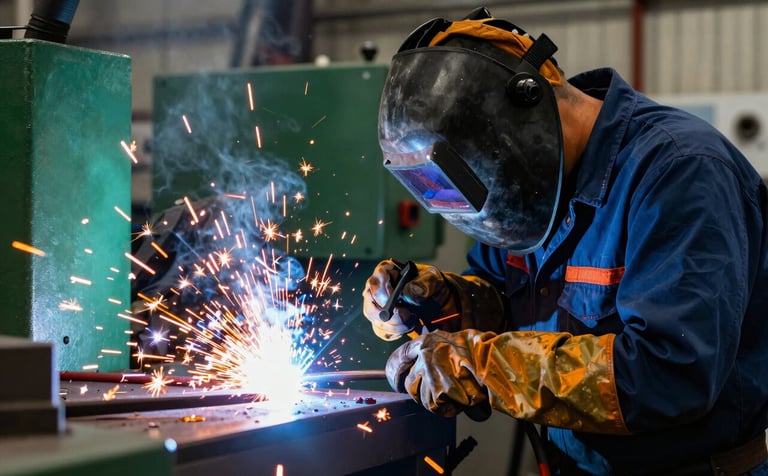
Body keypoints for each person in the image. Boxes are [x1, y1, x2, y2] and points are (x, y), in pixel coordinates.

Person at [361, 6, 768, 475]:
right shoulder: (528, 195)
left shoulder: (680, 171)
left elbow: (672, 374)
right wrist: (442, 302)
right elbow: (509, 301)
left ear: (529, 101)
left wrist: (483, 365)